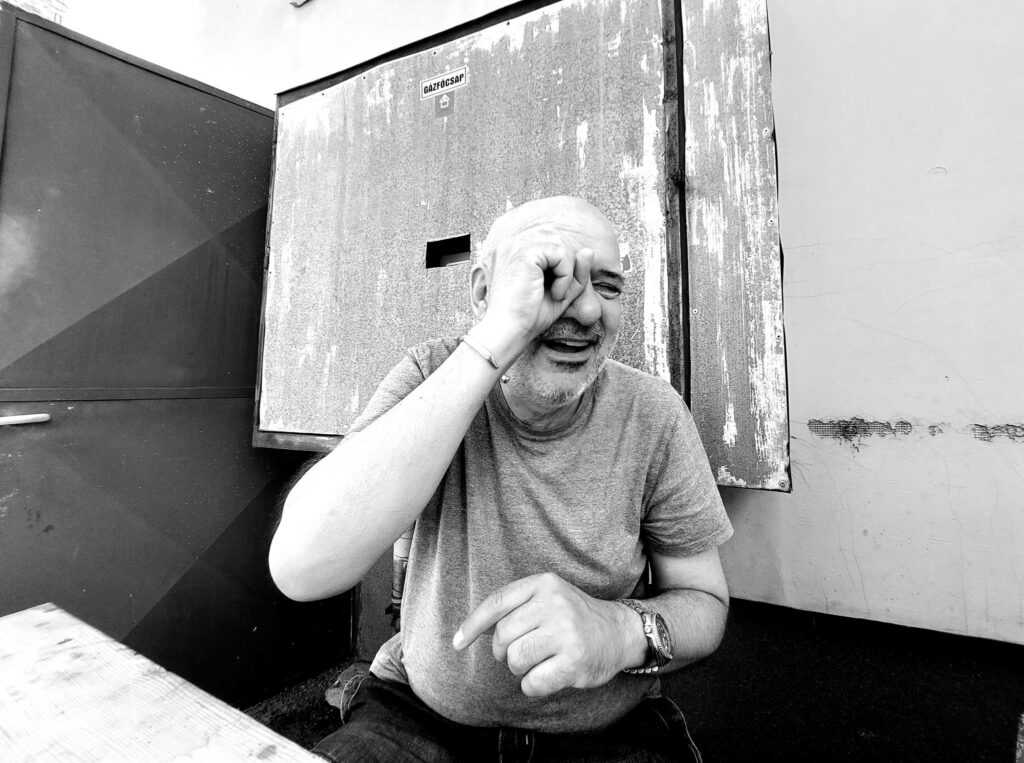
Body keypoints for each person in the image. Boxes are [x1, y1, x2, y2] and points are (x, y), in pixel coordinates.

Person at [269, 196, 733, 762]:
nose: (589, 310)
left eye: (608, 286)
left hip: (606, 735)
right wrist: (498, 337)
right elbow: (302, 569)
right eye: (552, 279)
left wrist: (618, 631)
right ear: (484, 290)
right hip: (418, 717)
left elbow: (705, 602)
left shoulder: (653, 414)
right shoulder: (430, 375)